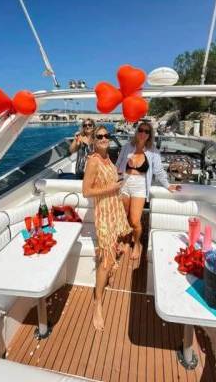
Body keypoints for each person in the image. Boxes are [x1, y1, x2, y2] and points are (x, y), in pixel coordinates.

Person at [82, 125, 132, 331]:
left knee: (113, 251)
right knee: (106, 260)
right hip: (103, 214)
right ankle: (98, 304)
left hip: (114, 209)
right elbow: (86, 191)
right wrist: (111, 187)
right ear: (93, 140)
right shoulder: (93, 161)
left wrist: (118, 182)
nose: (104, 138)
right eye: (99, 136)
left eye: (106, 135)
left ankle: (107, 277)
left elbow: (110, 181)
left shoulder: (107, 157)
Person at [116, 120, 181, 261]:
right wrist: (114, 179)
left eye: (146, 131)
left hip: (139, 186)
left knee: (135, 220)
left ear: (150, 135)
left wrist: (168, 185)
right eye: (141, 130)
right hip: (124, 183)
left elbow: (159, 171)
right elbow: (118, 164)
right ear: (137, 132)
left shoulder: (153, 151)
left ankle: (137, 244)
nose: (143, 133)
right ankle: (126, 240)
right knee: (124, 216)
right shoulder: (127, 147)